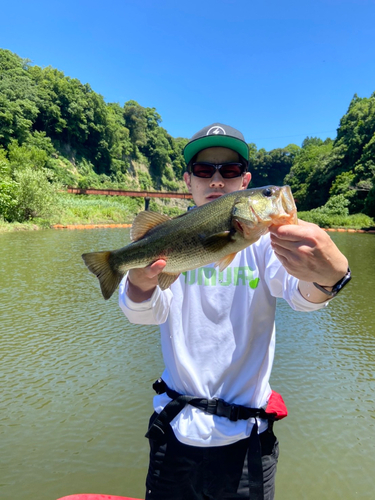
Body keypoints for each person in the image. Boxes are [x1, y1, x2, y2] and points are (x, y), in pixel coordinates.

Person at [119, 123, 351, 500]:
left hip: (247, 441)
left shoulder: (266, 245)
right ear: (187, 180)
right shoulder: (170, 237)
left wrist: (330, 277)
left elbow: (302, 295)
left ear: (244, 182)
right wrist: (140, 281)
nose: (215, 180)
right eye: (203, 170)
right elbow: (143, 312)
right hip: (175, 431)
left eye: (228, 171)